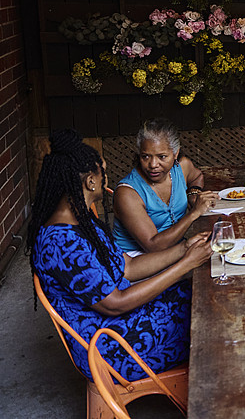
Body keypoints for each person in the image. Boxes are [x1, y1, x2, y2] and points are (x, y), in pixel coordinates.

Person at [27, 129, 213, 381]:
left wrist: (185, 248)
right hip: (109, 348)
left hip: (120, 325)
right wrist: (185, 265)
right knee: (212, 318)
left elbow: (129, 267)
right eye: (102, 172)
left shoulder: (83, 223)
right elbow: (116, 303)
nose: (106, 178)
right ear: (90, 181)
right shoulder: (60, 243)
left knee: (205, 291)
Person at [113, 118, 219, 255]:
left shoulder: (181, 167)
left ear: (175, 153)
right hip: (136, 259)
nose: (153, 164)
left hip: (175, 249)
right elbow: (153, 246)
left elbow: (197, 177)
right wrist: (194, 213)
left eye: (162, 157)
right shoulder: (127, 193)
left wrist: (193, 193)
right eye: (145, 157)